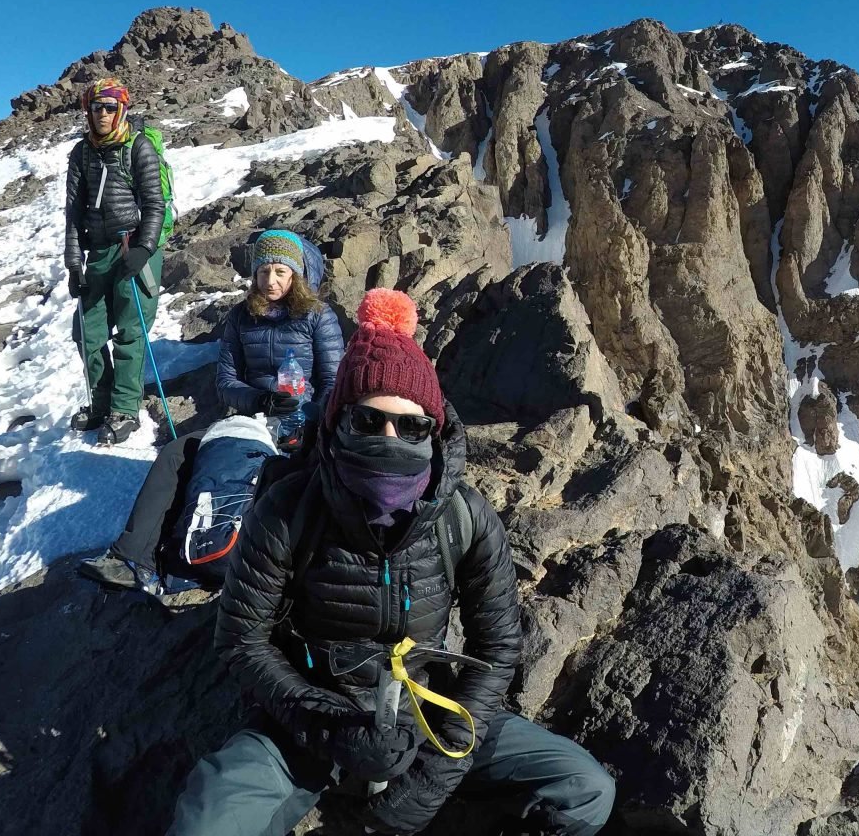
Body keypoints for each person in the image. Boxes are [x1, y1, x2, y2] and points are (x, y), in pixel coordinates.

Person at [166, 288, 615, 836]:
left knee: (583, 788)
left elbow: (497, 647)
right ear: (334, 425)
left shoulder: (464, 517)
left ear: (435, 430)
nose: (390, 438)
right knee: (207, 822)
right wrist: (327, 726)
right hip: (312, 715)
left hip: (429, 710)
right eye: (366, 420)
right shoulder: (286, 510)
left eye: (411, 426)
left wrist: (439, 768)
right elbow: (241, 639)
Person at [79, 230, 345, 593]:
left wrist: (311, 418)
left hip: (301, 423)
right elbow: (226, 382)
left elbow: (333, 381)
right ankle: (132, 558)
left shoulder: (318, 317)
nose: (271, 281)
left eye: (281, 273)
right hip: (248, 419)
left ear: (295, 275)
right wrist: (261, 401)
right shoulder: (240, 317)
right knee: (178, 453)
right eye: (264, 272)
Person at [64, 77, 167, 444]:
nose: (103, 114)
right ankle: (101, 401)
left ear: (121, 109)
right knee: (86, 333)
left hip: (134, 246)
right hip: (98, 251)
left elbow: (155, 203)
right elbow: (74, 214)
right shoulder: (81, 153)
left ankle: (125, 408)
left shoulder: (138, 147)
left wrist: (144, 249)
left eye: (110, 107)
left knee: (129, 330)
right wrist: (74, 264)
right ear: (88, 111)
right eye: (96, 107)